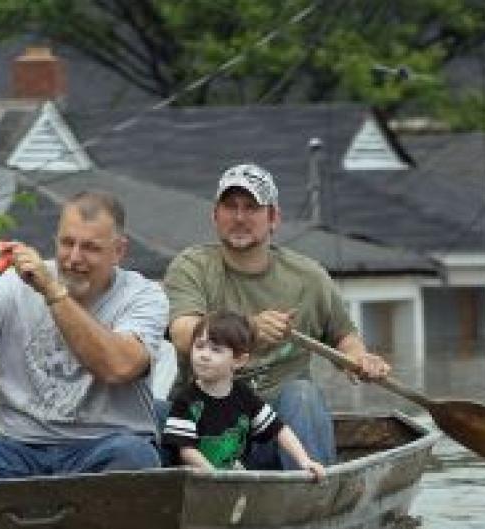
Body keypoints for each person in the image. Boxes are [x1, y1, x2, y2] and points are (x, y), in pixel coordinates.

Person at [0, 190, 167, 483]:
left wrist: (53, 293)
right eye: (67, 243)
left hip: (101, 448)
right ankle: (0, 514)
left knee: (135, 456)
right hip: (19, 451)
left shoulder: (144, 296)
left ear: (119, 251)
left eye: (90, 248)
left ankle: (11, 509)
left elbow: (118, 367)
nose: (74, 258)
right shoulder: (11, 286)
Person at [162, 163, 391, 470]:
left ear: (273, 219)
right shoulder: (192, 266)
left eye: (252, 208)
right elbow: (181, 333)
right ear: (215, 216)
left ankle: (310, 497)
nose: (240, 218)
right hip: (202, 431)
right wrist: (249, 329)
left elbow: (344, 337)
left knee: (303, 394)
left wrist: (361, 359)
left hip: (275, 435)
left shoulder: (309, 278)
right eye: (230, 207)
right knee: (150, 412)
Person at [162, 310, 325, 480]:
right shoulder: (186, 400)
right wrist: (214, 476)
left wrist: (305, 461)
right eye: (199, 346)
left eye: (216, 350)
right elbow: (186, 450)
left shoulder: (244, 396)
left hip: (234, 481)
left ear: (239, 361)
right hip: (195, 486)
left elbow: (279, 430)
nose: (204, 355)